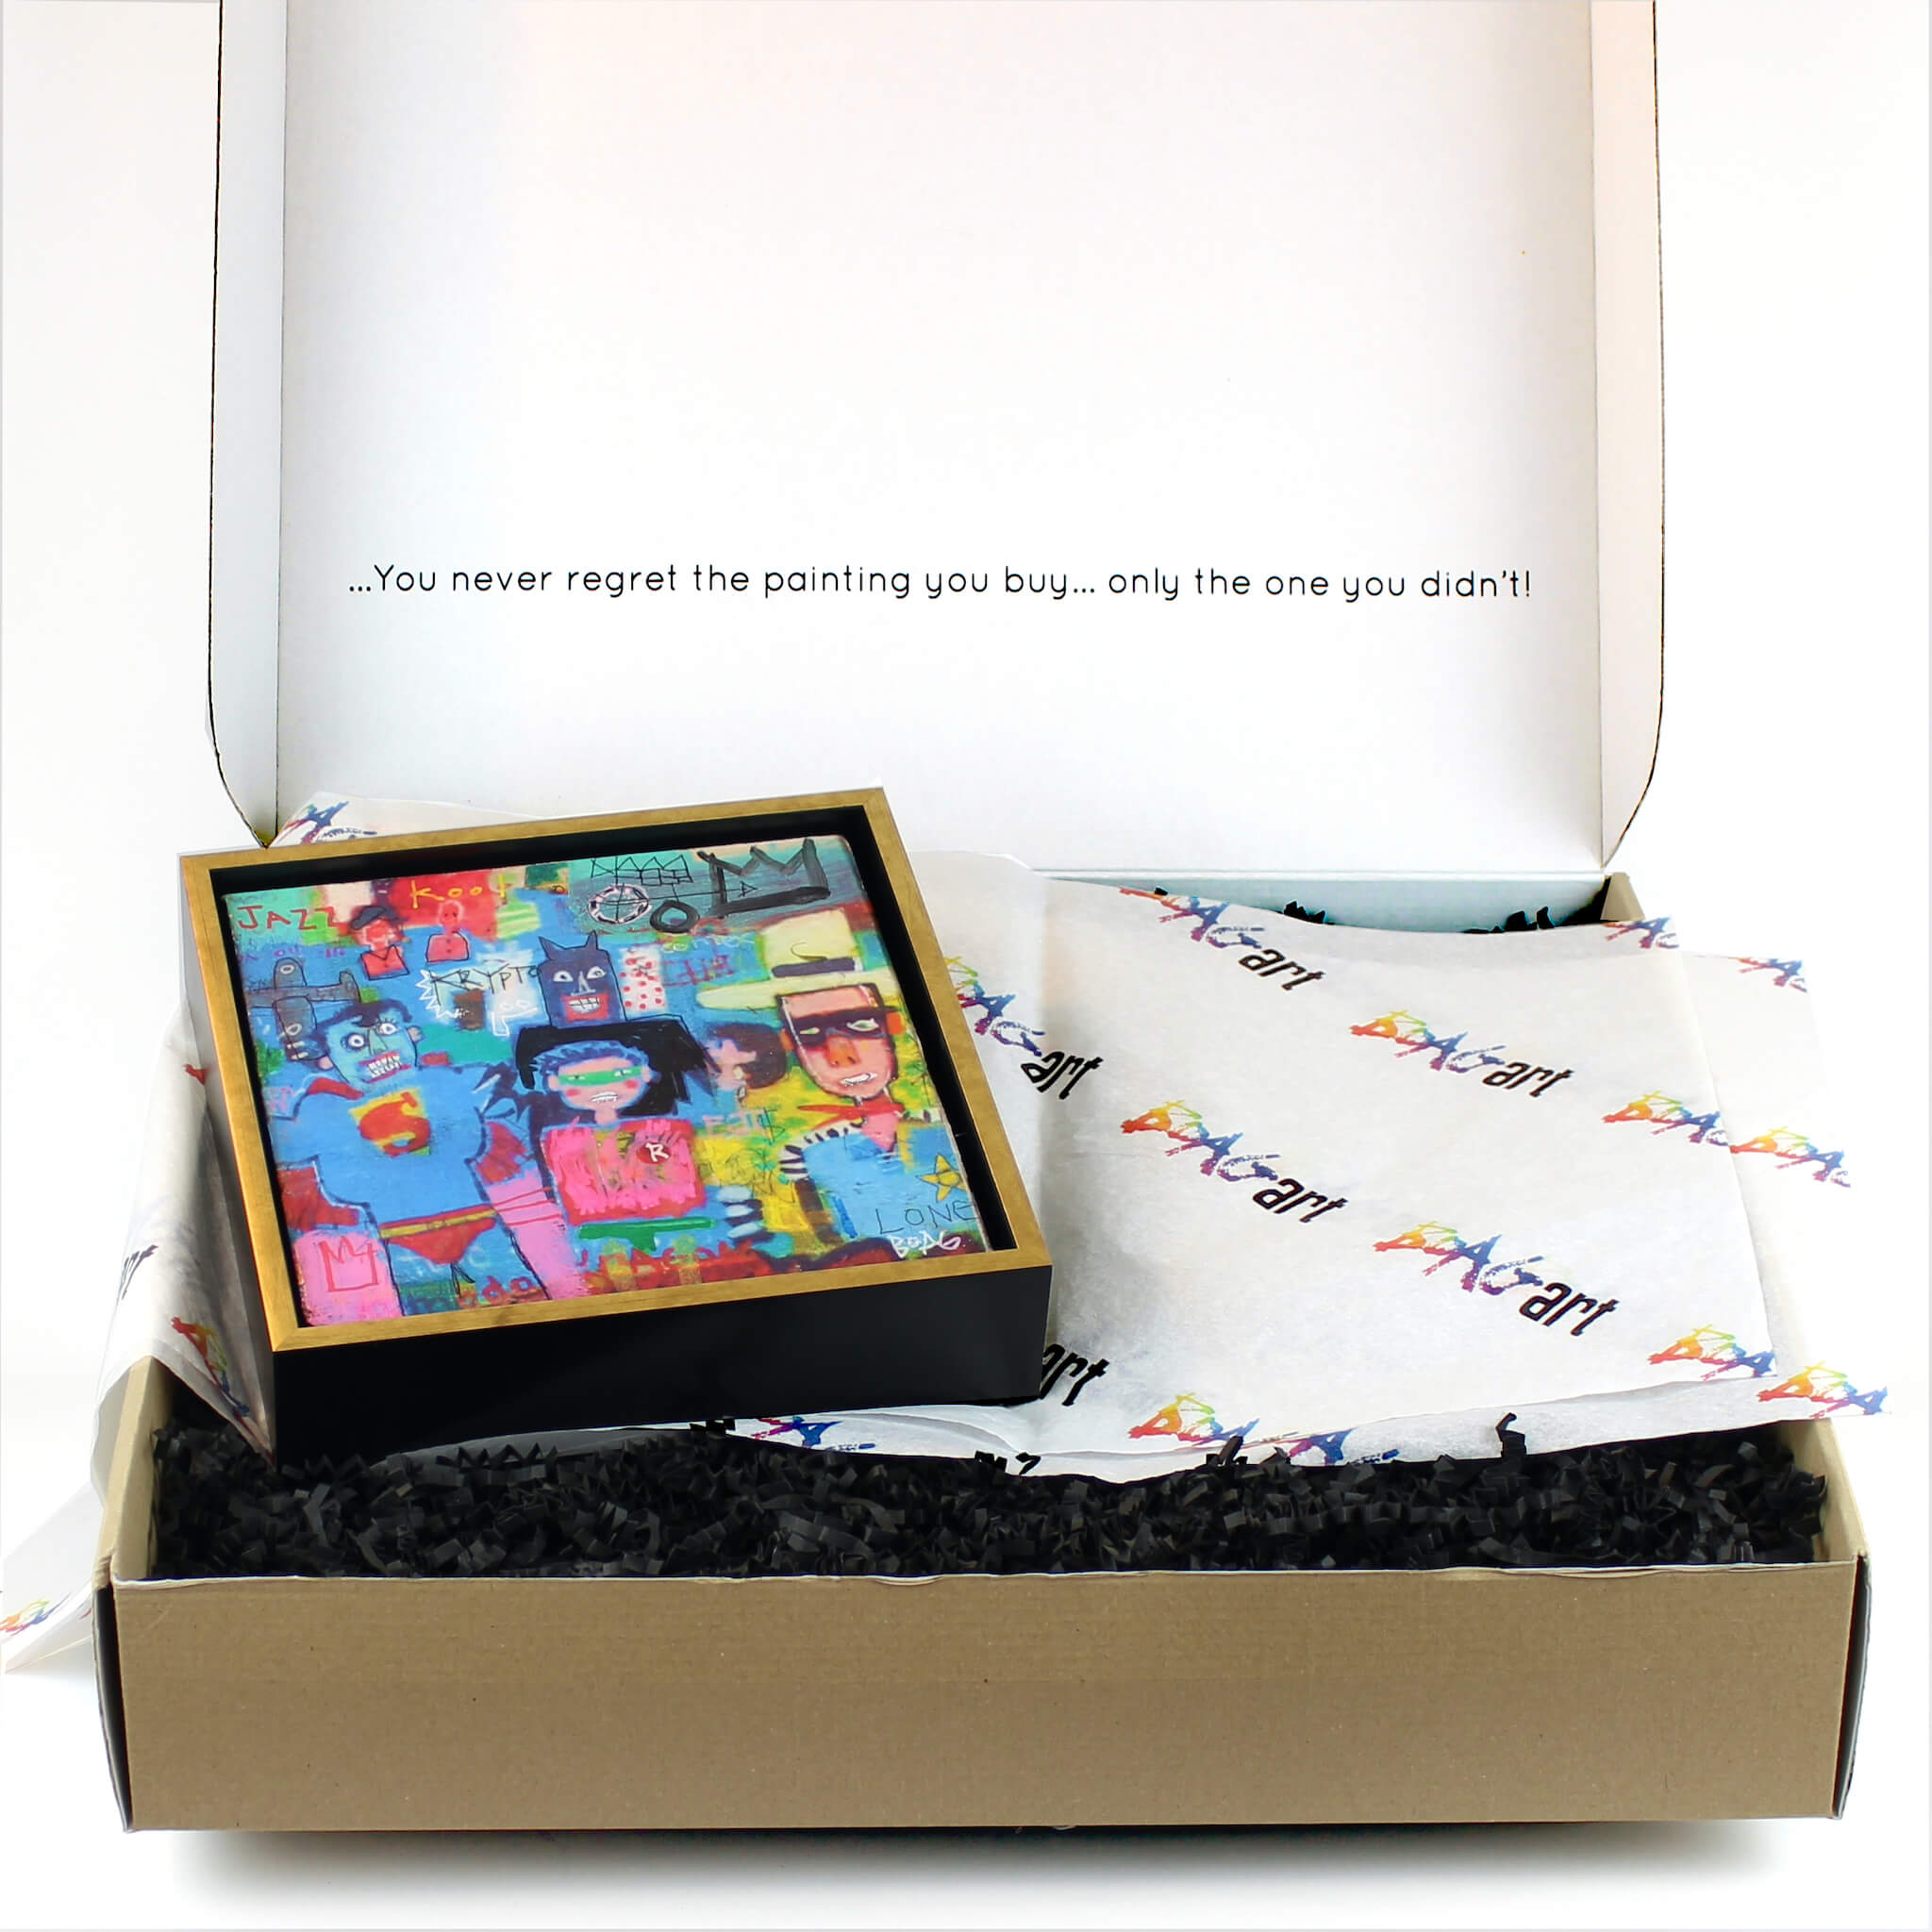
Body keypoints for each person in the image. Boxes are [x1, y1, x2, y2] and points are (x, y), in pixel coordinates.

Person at [271, 1001, 540, 1314]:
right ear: (327, 1060)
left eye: (388, 1030)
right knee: (430, 1319)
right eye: (354, 1043)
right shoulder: (328, 1110)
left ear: (412, 1034)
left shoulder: (439, 1083)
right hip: (405, 1235)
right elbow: (339, 1180)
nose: (378, 1048)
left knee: (521, 1308)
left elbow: (468, 1141)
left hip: (468, 1222)